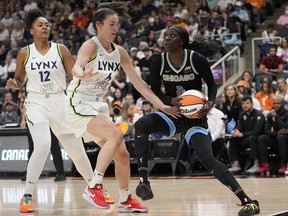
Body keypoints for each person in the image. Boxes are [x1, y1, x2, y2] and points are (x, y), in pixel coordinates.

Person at [64, 2, 178, 213]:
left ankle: (125, 200)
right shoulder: (91, 45)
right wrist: (80, 73)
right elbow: (76, 66)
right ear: (99, 25)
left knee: (123, 154)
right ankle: (93, 187)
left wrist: (161, 105)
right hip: (77, 102)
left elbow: (139, 84)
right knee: (116, 136)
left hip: (97, 106)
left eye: (117, 24)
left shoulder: (120, 53)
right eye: (111, 24)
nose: (115, 28)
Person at [133, 26, 260, 216]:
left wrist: (209, 103)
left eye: (172, 36)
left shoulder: (196, 59)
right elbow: (155, 90)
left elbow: (212, 84)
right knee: (141, 125)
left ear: (182, 41)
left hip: (195, 117)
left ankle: (248, 202)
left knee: (207, 159)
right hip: (173, 113)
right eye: (164, 36)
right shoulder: (158, 61)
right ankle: (144, 182)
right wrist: (170, 101)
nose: (166, 39)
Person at [5, 9, 111, 213]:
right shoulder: (24, 53)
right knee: (43, 144)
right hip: (36, 103)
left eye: (47, 24)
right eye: (40, 25)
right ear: (31, 30)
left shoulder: (60, 49)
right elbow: (19, 79)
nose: (45, 27)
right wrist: (15, 83)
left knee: (77, 150)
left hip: (60, 101)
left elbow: (74, 74)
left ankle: (95, 187)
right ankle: (27, 195)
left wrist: (84, 78)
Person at [228, 96, 265, 174]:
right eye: (243, 104)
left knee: (253, 138)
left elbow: (257, 132)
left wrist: (242, 134)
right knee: (233, 139)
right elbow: (239, 127)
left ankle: (256, 164)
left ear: (252, 104)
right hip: (246, 138)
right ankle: (236, 165)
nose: (245, 105)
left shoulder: (259, 115)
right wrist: (235, 132)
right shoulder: (242, 115)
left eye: (247, 103)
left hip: (258, 139)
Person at [257, 96, 288, 174]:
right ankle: (265, 164)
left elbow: (284, 129)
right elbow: (266, 131)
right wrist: (276, 133)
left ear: (283, 104)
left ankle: (284, 164)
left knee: (281, 137)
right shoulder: (270, 115)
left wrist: (276, 117)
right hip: (276, 137)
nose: (276, 105)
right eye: (274, 103)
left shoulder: (287, 114)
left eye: (278, 103)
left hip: (286, 138)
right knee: (262, 138)